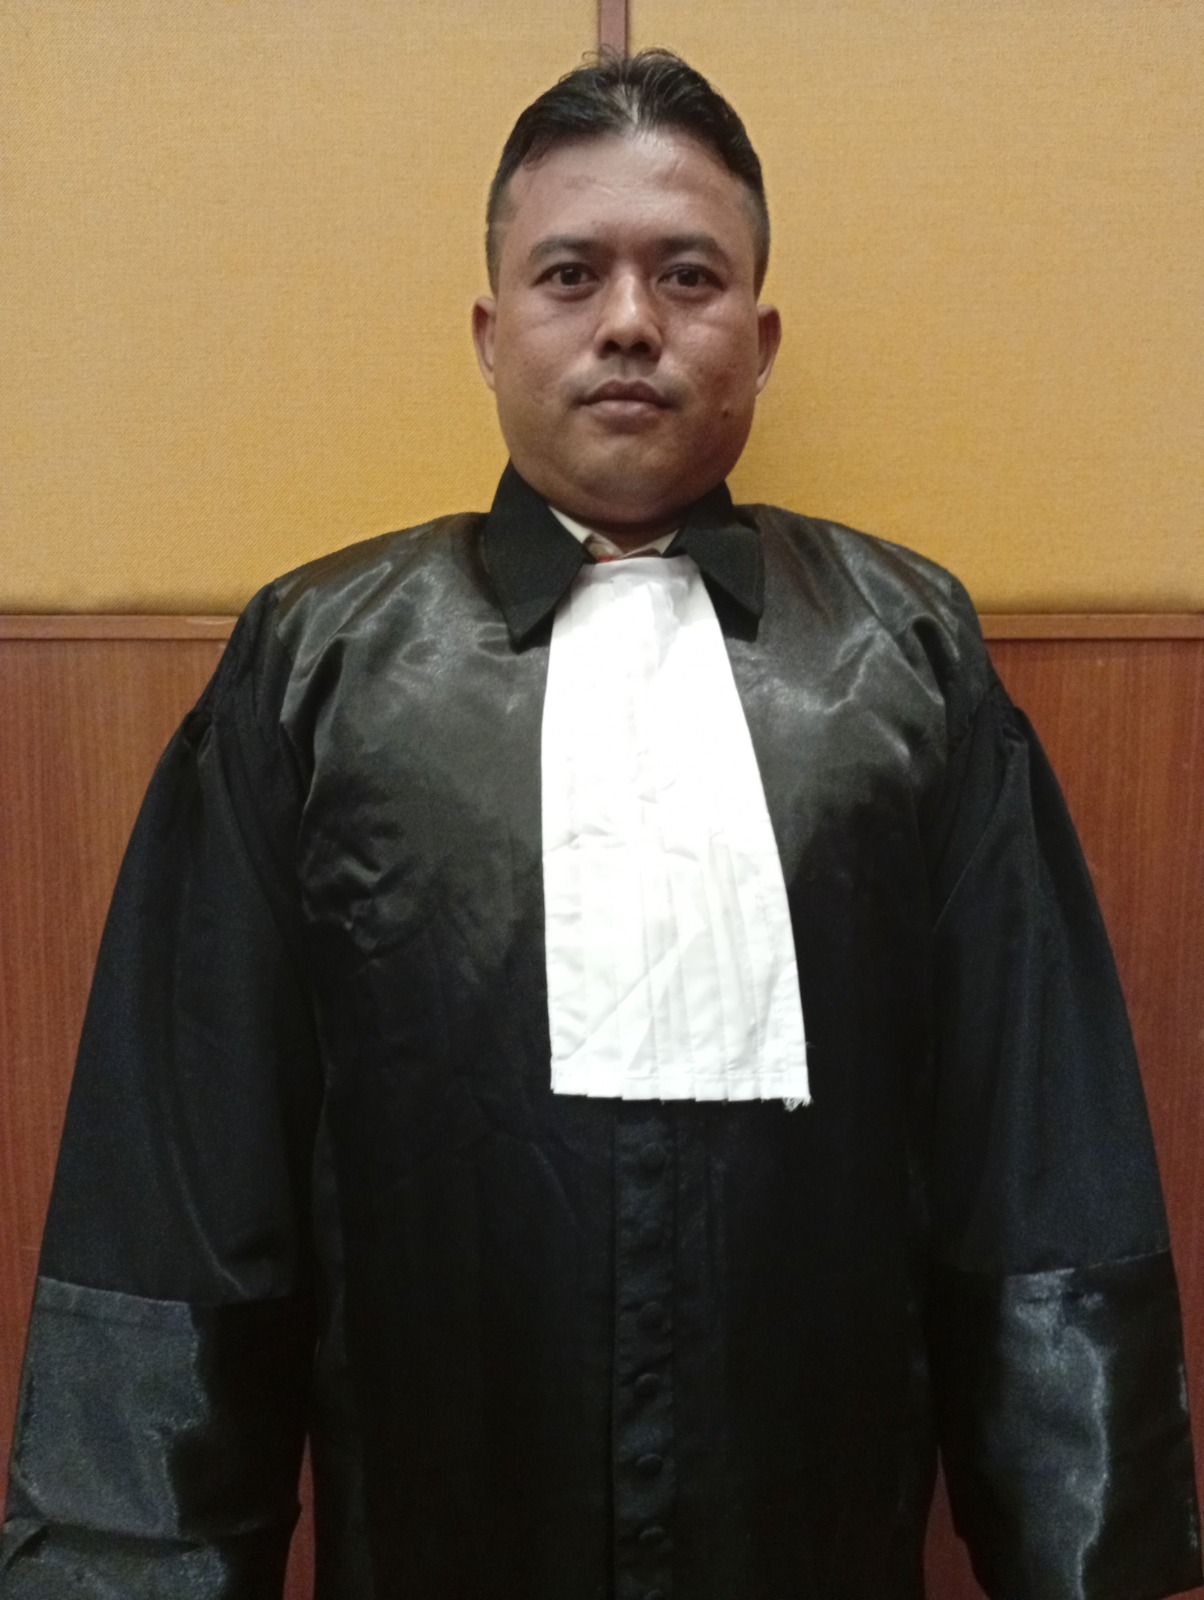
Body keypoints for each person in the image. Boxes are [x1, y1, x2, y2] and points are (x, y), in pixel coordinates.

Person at [1, 49, 1199, 1600]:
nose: (630, 320)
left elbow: (1033, 1165)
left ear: (759, 337)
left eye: (687, 275)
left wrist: (1088, 1560)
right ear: (492, 333)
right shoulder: (314, 667)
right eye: (571, 275)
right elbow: (184, 1190)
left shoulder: (909, 658)